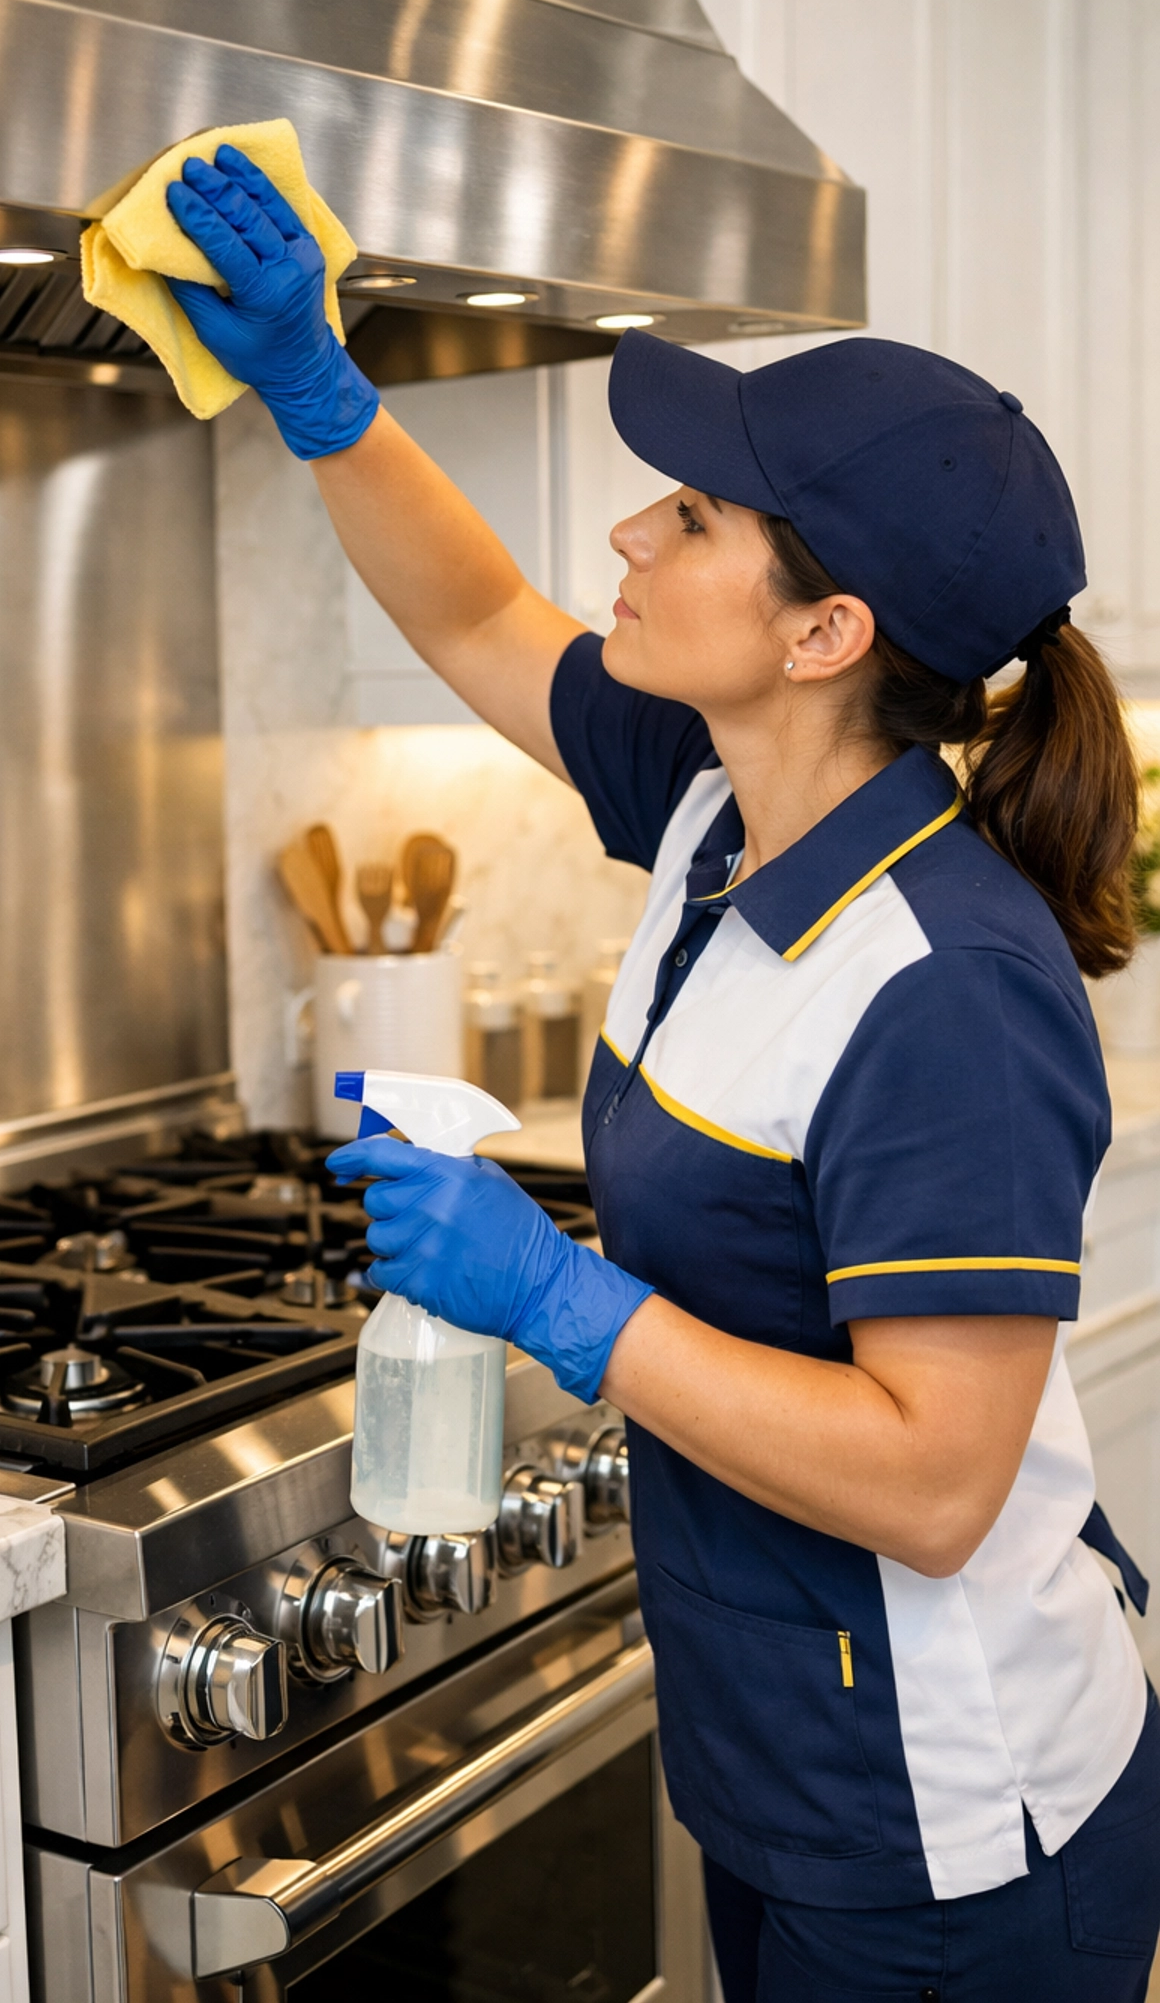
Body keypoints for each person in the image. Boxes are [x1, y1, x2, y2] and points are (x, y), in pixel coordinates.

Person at [165, 144, 1160, 2002]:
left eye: (690, 513)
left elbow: (940, 1485)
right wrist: (324, 391)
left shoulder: (948, 989)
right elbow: (477, 617)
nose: (628, 535)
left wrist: (560, 1298)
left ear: (825, 634)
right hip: (787, 1766)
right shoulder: (720, 807)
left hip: (951, 1828)